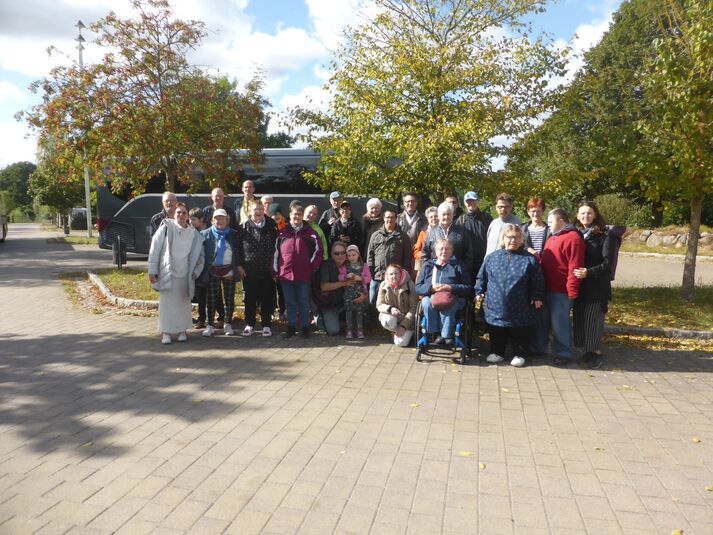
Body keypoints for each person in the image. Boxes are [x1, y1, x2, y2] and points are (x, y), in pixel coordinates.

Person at [476, 224, 545, 367]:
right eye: (509, 237)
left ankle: (519, 354)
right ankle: (497, 352)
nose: (513, 240)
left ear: (521, 240)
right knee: (496, 328)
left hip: (520, 304)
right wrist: (479, 291)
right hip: (495, 302)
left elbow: (537, 280)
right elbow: (481, 277)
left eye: (516, 237)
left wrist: (537, 296)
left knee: (519, 331)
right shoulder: (492, 257)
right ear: (503, 238)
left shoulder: (529, 259)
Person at [148, 203, 204, 344]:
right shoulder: (166, 228)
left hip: (185, 275)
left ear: (188, 216)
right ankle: (166, 333)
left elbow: (200, 257)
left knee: (183, 304)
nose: (181, 215)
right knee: (167, 304)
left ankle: (182, 331)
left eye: (184, 213)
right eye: (178, 212)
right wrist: (152, 271)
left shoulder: (194, 234)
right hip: (167, 273)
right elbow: (154, 249)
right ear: (174, 214)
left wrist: (196, 272)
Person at [540, 208, 585, 367]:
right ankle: (543, 349)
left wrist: (572, 290)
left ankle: (564, 353)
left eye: (550, 222)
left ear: (561, 221)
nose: (548, 225)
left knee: (560, 323)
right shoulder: (552, 237)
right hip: (547, 287)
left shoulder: (573, 238)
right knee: (545, 321)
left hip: (561, 290)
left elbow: (575, 266)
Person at [573, 201, 615, 369]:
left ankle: (595, 353)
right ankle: (586, 352)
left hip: (596, 286)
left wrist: (588, 272)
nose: (586, 216)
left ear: (595, 215)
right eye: (582, 213)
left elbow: (607, 263)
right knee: (580, 319)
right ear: (577, 216)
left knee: (593, 320)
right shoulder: (575, 233)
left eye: (589, 213)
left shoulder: (605, 234)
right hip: (579, 286)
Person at [273, 204, 324, 338]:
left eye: (299, 214)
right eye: (294, 214)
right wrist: (275, 270)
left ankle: (305, 327)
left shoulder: (311, 233)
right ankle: (290, 326)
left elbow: (319, 252)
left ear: (302, 216)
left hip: (304, 274)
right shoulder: (282, 233)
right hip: (286, 274)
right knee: (290, 302)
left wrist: (311, 266)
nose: (297, 217)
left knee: (303, 301)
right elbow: (275, 253)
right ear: (290, 215)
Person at [415, 239, 472, 345]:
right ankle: (434, 332)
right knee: (426, 303)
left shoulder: (458, 265)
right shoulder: (428, 265)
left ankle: (446, 335)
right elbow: (418, 287)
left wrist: (450, 287)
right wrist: (431, 288)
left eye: (447, 249)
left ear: (452, 251)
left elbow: (468, 287)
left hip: (453, 297)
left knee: (447, 304)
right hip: (431, 296)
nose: (444, 251)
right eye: (441, 249)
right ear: (436, 251)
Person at [236, 201, 278, 337]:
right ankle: (250, 324)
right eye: (255, 209)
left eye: (260, 209)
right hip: (249, 269)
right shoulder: (243, 227)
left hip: (267, 268)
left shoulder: (272, 225)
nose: (258, 212)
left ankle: (266, 324)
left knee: (267, 297)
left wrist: (275, 267)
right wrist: (239, 265)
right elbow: (237, 248)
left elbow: (277, 247)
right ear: (250, 211)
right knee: (250, 298)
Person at [200, 209, 239, 337]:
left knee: (229, 299)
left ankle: (228, 323)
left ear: (227, 219)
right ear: (212, 220)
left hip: (229, 270)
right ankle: (210, 324)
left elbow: (238, 252)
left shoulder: (234, 234)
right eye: (216, 218)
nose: (219, 221)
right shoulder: (205, 234)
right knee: (211, 299)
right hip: (213, 271)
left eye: (222, 218)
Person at [520, 197, 550, 355]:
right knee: (527, 309)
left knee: (542, 311)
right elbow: (517, 245)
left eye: (538, 211)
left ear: (543, 211)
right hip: (527, 273)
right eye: (532, 211)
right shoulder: (523, 228)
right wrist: (528, 250)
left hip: (546, 272)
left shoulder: (550, 229)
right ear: (528, 212)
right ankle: (526, 344)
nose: (535, 214)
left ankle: (541, 345)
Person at [366, 210, 413, 305]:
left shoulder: (403, 237)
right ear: (384, 218)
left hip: (395, 278)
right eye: (387, 217)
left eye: (392, 217)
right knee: (373, 302)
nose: (389, 219)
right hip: (377, 276)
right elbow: (370, 256)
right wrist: (371, 273)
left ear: (396, 219)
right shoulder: (375, 235)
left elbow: (407, 257)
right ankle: (372, 320)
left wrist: (402, 275)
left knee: (392, 303)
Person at [421, 201, 474, 275]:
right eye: (443, 214)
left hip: (457, 273)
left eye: (448, 214)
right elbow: (425, 255)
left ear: (452, 215)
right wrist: (428, 271)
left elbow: (469, 254)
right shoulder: (431, 233)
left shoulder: (462, 232)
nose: (446, 217)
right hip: (435, 272)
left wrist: (464, 271)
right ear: (439, 216)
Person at [315, 241, 352, 335]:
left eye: (343, 252)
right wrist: (344, 283)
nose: (340, 255)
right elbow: (324, 287)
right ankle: (320, 317)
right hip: (328, 303)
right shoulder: (325, 265)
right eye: (336, 253)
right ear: (332, 254)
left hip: (343, 302)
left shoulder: (350, 265)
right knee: (333, 330)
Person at [376, 264, 418, 347]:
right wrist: (390, 309)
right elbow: (379, 305)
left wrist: (403, 326)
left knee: (401, 343)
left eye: (396, 273)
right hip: (392, 316)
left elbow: (414, 308)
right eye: (391, 274)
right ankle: (396, 331)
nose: (393, 276)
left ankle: (408, 332)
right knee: (388, 321)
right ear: (386, 275)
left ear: (401, 274)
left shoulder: (410, 285)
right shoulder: (383, 284)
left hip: (407, 320)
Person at [458, 191, 493, 279]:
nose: (471, 203)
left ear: (477, 201)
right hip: (467, 263)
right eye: (468, 201)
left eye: (473, 200)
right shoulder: (460, 220)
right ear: (464, 203)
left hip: (484, 260)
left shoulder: (486, 218)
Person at [339, 244, 371, 339]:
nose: (351, 257)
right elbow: (340, 276)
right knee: (348, 312)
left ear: (358, 255)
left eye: (353, 255)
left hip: (359, 293)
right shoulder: (345, 266)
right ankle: (349, 330)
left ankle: (360, 330)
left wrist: (361, 278)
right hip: (348, 293)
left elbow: (369, 278)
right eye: (349, 256)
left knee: (359, 312)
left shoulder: (364, 266)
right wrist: (346, 276)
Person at [189, 207, 210, 329]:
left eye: (194, 219)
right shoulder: (192, 232)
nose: (191, 222)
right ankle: (201, 319)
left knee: (215, 296)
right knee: (200, 295)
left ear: (201, 219)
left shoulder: (210, 230)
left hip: (210, 267)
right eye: (190, 219)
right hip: (198, 268)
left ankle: (221, 318)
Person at [413, 206, 438, 274]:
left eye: (436, 216)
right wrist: (426, 254)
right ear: (427, 219)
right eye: (431, 217)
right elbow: (416, 252)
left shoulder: (444, 231)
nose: (434, 218)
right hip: (424, 263)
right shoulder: (423, 233)